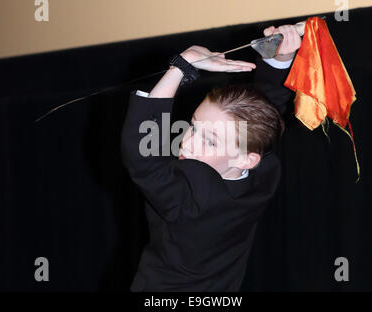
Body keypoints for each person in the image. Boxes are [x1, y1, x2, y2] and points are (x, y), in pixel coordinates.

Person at [122, 25, 301, 291]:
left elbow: (145, 157)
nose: (187, 142)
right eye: (193, 126)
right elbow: (266, 114)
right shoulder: (262, 174)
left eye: (210, 140)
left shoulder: (193, 196)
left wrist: (181, 67)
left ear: (246, 159)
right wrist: (279, 58)